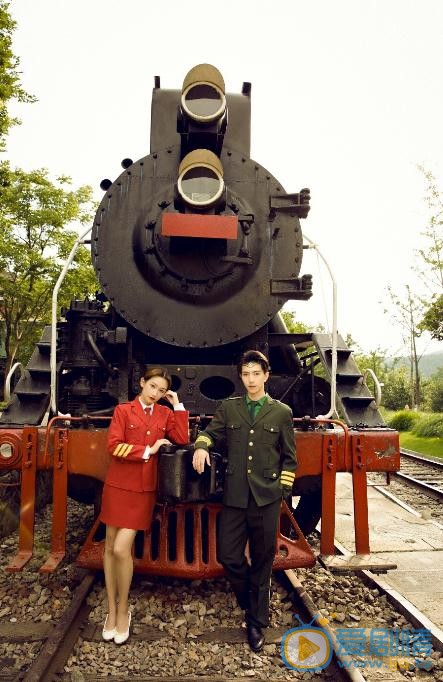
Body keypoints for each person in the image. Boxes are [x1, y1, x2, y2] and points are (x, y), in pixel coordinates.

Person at [192, 350, 297, 652]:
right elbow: (209, 434)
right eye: (246, 374)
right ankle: (252, 599)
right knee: (229, 556)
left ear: (266, 375)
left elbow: (290, 460)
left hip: (266, 498)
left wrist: (281, 492)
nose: (250, 379)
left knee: (263, 561)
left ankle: (257, 622)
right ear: (241, 377)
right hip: (236, 496)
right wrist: (201, 448)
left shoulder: (281, 412)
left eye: (256, 373)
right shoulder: (229, 408)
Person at [100, 367, 189, 644]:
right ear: (142, 383)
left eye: (161, 391)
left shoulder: (164, 413)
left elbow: (183, 439)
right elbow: (113, 446)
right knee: (109, 547)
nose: (156, 394)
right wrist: (148, 451)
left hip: (142, 490)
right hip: (117, 486)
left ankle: (124, 608)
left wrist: (178, 406)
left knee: (120, 548)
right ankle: (111, 612)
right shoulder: (123, 410)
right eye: (153, 387)